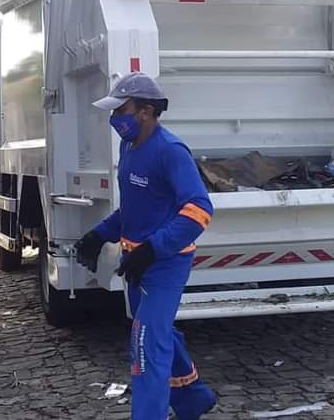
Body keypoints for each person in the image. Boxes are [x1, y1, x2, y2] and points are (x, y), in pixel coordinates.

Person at [75, 73, 217, 420]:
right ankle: (193, 398)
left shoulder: (170, 152)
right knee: (158, 332)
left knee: (145, 345)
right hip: (135, 261)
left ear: (146, 111)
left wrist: (154, 249)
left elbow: (199, 210)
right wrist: (99, 234)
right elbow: (137, 207)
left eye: (120, 110)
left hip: (164, 265)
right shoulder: (129, 147)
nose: (113, 119)